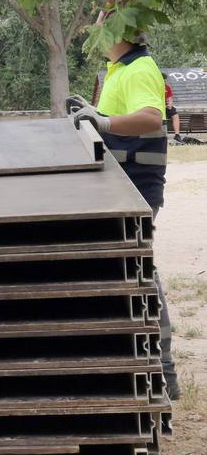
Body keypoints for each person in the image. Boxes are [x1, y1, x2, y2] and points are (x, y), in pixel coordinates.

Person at [67, 31, 178, 400]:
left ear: (122, 30)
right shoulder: (119, 69)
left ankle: (163, 370)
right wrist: (97, 115)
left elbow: (149, 118)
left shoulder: (140, 69)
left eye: (102, 20)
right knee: (131, 270)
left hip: (136, 188)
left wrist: (105, 123)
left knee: (141, 271)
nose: (94, 27)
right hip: (122, 187)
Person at [164, 75, 183, 143]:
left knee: (175, 115)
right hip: (157, 106)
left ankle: (177, 135)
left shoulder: (167, 87)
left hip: (165, 106)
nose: (164, 80)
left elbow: (170, 97)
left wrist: (170, 104)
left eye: (164, 79)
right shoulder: (154, 86)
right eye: (163, 79)